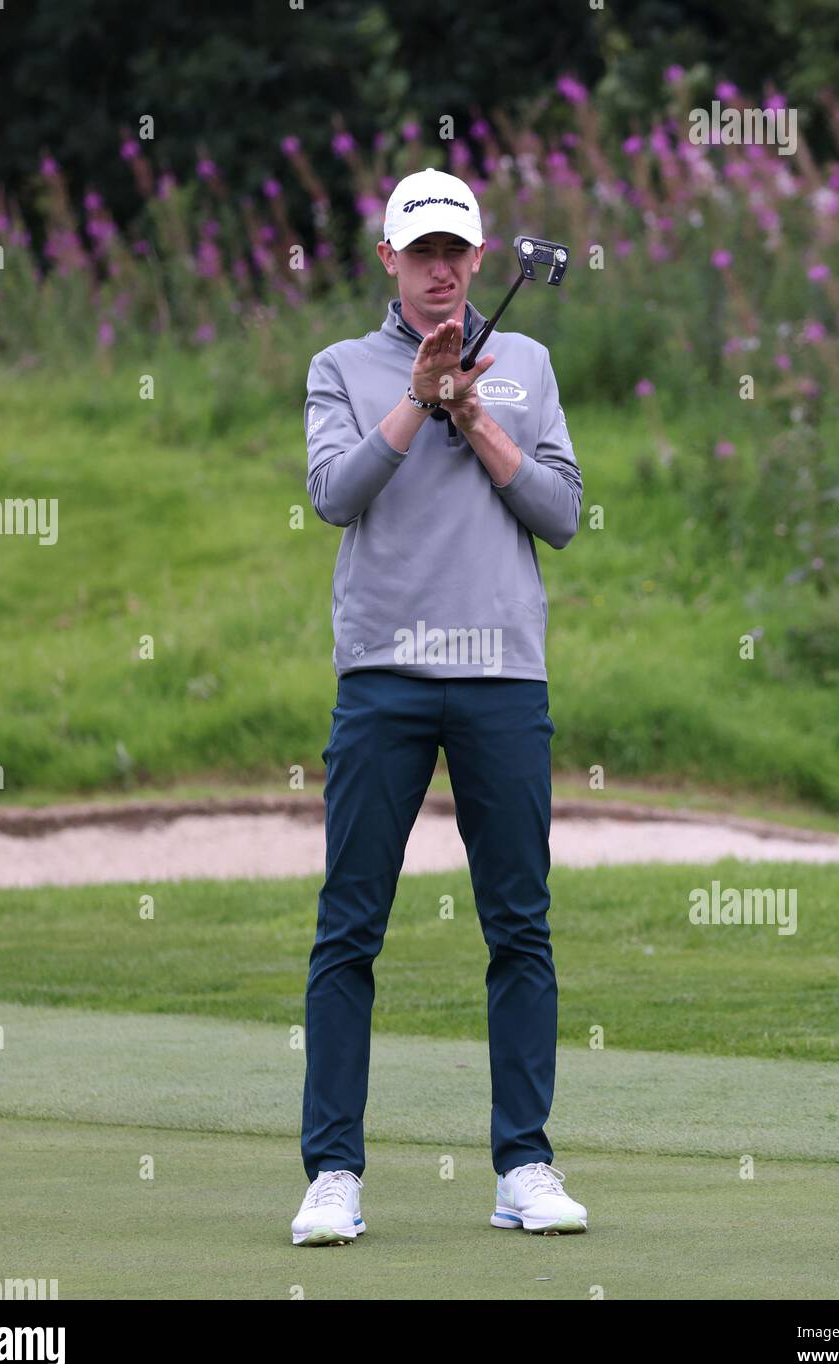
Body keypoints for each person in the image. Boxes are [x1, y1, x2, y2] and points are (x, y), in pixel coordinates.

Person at [292, 167, 586, 1246]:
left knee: (520, 925)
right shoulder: (341, 367)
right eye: (422, 252)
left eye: (458, 250)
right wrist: (420, 400)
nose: (443, 270)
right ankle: (333, 1171)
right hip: (384, 673)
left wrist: (480, 420)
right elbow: (334, 495)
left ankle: (525, 1164)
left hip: (503, 674)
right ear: (388, 261)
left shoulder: (529, 366)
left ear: (480, 254)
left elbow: (559, 512)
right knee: (349, 926)